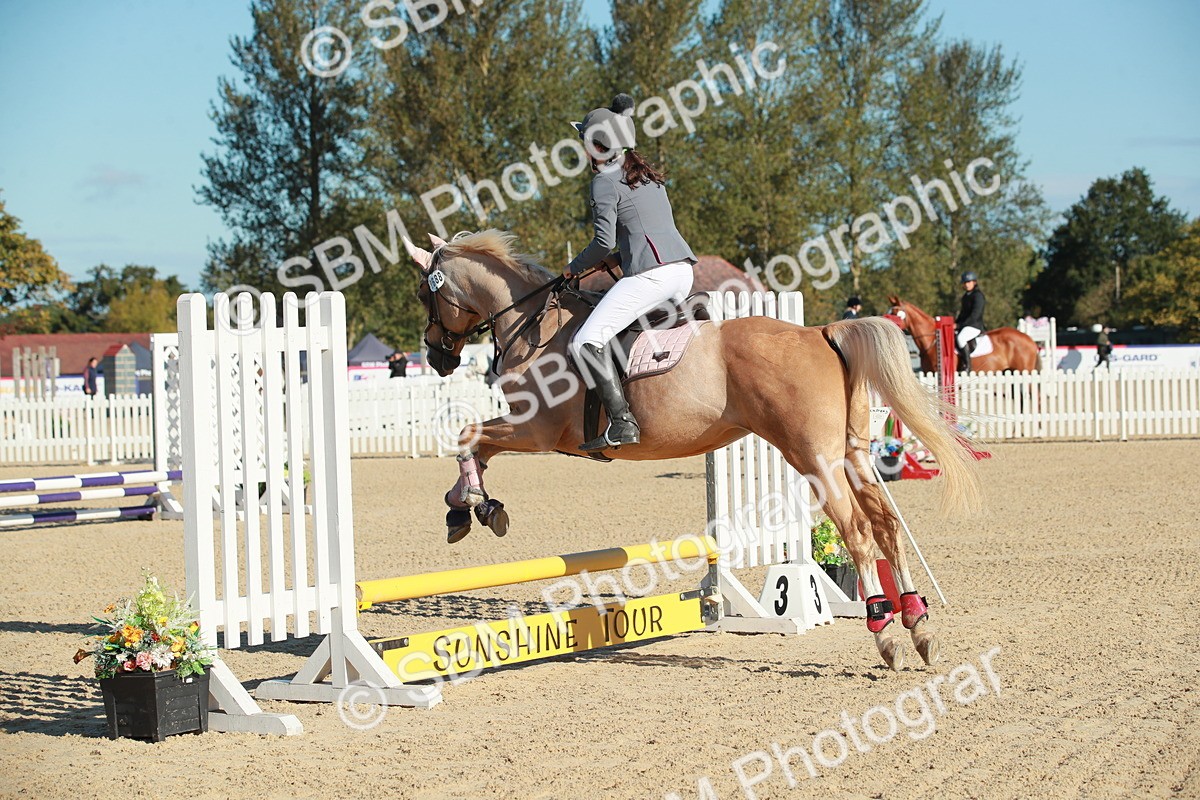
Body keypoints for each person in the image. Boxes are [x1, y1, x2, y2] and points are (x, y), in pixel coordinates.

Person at [564, 93, 697, 451]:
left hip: (652, 275)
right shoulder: (648, 176)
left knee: (585, 341)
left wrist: (573, 268)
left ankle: (622, 422)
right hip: (682, 272)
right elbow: (645, 230)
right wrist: (616, 259)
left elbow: (602, 241)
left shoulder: (603, 181)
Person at [954, 272, 985, 373]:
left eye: (969, 282)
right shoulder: (965, 296)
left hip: (974, 325)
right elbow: (962, 314)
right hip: (966, 325)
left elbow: (975, 314)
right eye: (965, 283)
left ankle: (967, 366)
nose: (967, 285)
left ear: (974, 282)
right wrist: (955, 323)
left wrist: (960, 325)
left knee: (961, 338)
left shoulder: (978, 296)